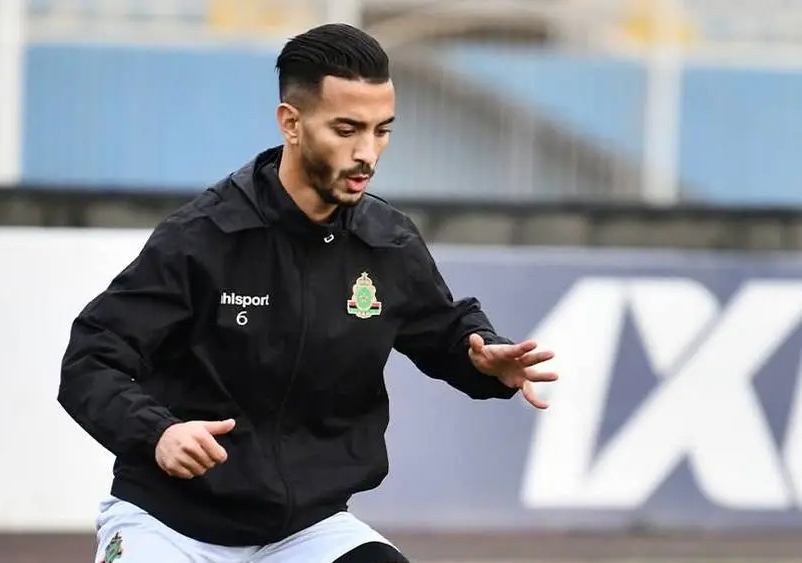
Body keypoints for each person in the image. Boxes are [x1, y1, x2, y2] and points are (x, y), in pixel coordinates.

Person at [58, 22, 558, 563]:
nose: (367, 153)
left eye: (382, 130)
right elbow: (91, 360)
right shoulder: (201, 237)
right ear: (291, 123)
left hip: (304, 531)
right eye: (347, 130)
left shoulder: (388, 242)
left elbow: (445, 330)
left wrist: (482, 356)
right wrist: (158, 433)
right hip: (169, 524)